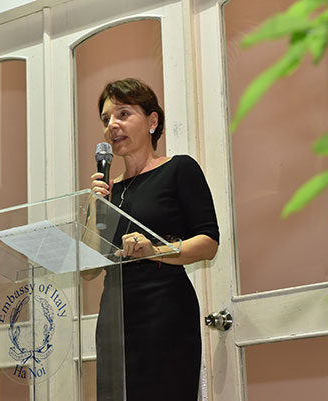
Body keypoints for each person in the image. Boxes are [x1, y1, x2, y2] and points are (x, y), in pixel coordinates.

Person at [91, 78, 219, 400]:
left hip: (164, 311)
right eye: (106, 119)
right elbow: (89, 269)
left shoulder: (178, 169)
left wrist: (154, 250)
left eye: (123, 114)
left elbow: (208, 242)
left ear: (152, 121)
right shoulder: (108, 192)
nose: (112, 125)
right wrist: (93, 207)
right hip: (114, 317)